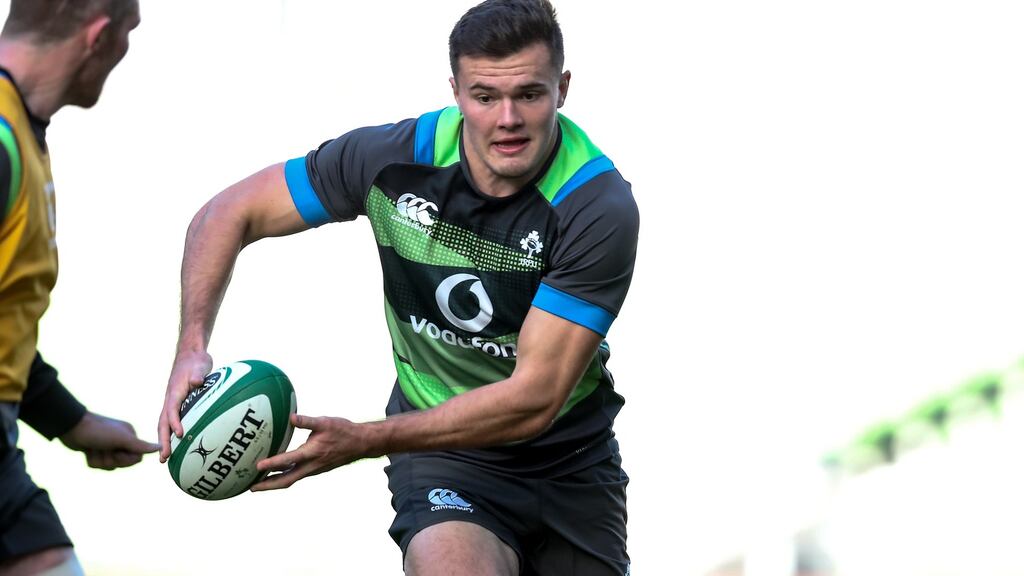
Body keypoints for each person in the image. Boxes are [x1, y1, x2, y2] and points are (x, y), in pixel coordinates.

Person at [157, 0, 638, 574]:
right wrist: (191, 345)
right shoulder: (393, 159)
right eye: (485, 97)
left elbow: (533, 400)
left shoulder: (594, 206)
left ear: (562, 88)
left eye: (529, 95)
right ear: (456, 91)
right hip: (445, 453)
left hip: (571, 459)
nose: (507, 118)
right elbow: (228, 213)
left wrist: (366, 438)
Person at [0, 1, 156, 575]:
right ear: (98, 38)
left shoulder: (19, 131)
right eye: (129, 33)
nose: (126, 49)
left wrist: (70, 421)